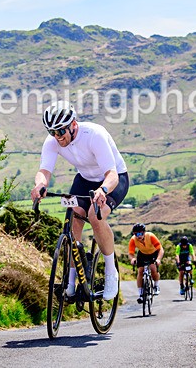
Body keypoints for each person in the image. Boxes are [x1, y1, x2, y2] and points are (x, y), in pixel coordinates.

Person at [30, 101, 129, 301]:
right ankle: (71, 280)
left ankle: (111, 273)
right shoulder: (52, 142)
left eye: (60, 131)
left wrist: (103, 190)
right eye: (52, 132)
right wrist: (40, 185)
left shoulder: (94, 135)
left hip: (113, 179)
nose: (57, 137)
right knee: (74, 218)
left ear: (73, 124)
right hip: (84, 180)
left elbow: (111, 174)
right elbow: (44, 171)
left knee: (95, 216)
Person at [128, 223, 163, 302]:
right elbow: (130, 253)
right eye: (136, 234)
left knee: (153, 269)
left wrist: (158, 259)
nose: (139, 236)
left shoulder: (150, 236)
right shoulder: (133, 239)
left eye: (140, 233)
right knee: (140, 271)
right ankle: (141, 294)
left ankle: (156, 285)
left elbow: (160, 249)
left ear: (144, 232)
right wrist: (132, 259)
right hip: (142, 254)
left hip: (153, 253)